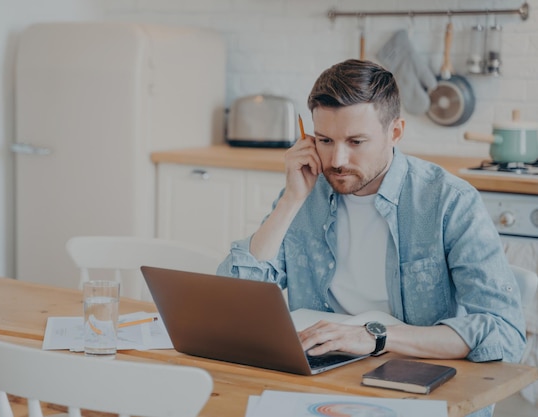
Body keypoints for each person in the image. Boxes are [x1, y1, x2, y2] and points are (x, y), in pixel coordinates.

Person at [216, 59, 525, 417]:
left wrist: (375, 336)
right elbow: (234, 298)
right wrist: (290, 201)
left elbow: (505, 334)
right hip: (321, 386)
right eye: (324, 140)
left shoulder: (448, 201)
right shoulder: (307, 191)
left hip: (418, 390)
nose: (337, 159)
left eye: (356, 141)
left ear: (395, 132)